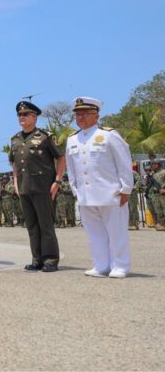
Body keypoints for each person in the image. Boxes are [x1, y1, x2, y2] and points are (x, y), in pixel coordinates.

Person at [65, 97, 134, 279]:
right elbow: (71, 169)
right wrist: (75, 190)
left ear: (96, 115)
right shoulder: (72, 139)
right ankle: (101, 265)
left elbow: (124, 162)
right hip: (86, 195)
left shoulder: (109, 135)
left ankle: (120, 266)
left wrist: (126, 188)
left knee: (116, 232)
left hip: (111, 192)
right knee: (95, 234)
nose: (81, 117)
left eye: (86, 114)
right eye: (78, 114)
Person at [9, 101, 65, 273]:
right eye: (20, 115)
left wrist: (57, 181)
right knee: (32, 225)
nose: (22, 117)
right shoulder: (16, 139)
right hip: (25, 188)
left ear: (34, 117)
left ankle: (50, 259)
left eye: (25, 114)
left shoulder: (45, 136)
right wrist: (16, 183)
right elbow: (15, 163)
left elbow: (61, 158)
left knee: (45, 225)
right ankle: (37, 259)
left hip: (43, 187)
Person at [152, 160, 165, 231]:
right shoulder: (153, 174)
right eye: (152, 164)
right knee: (159, 211)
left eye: (155, 164)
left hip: (163, 195)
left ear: (159, 164)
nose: (153, 165)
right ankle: (162, 225)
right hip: (156, 195)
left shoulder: (163, 172)